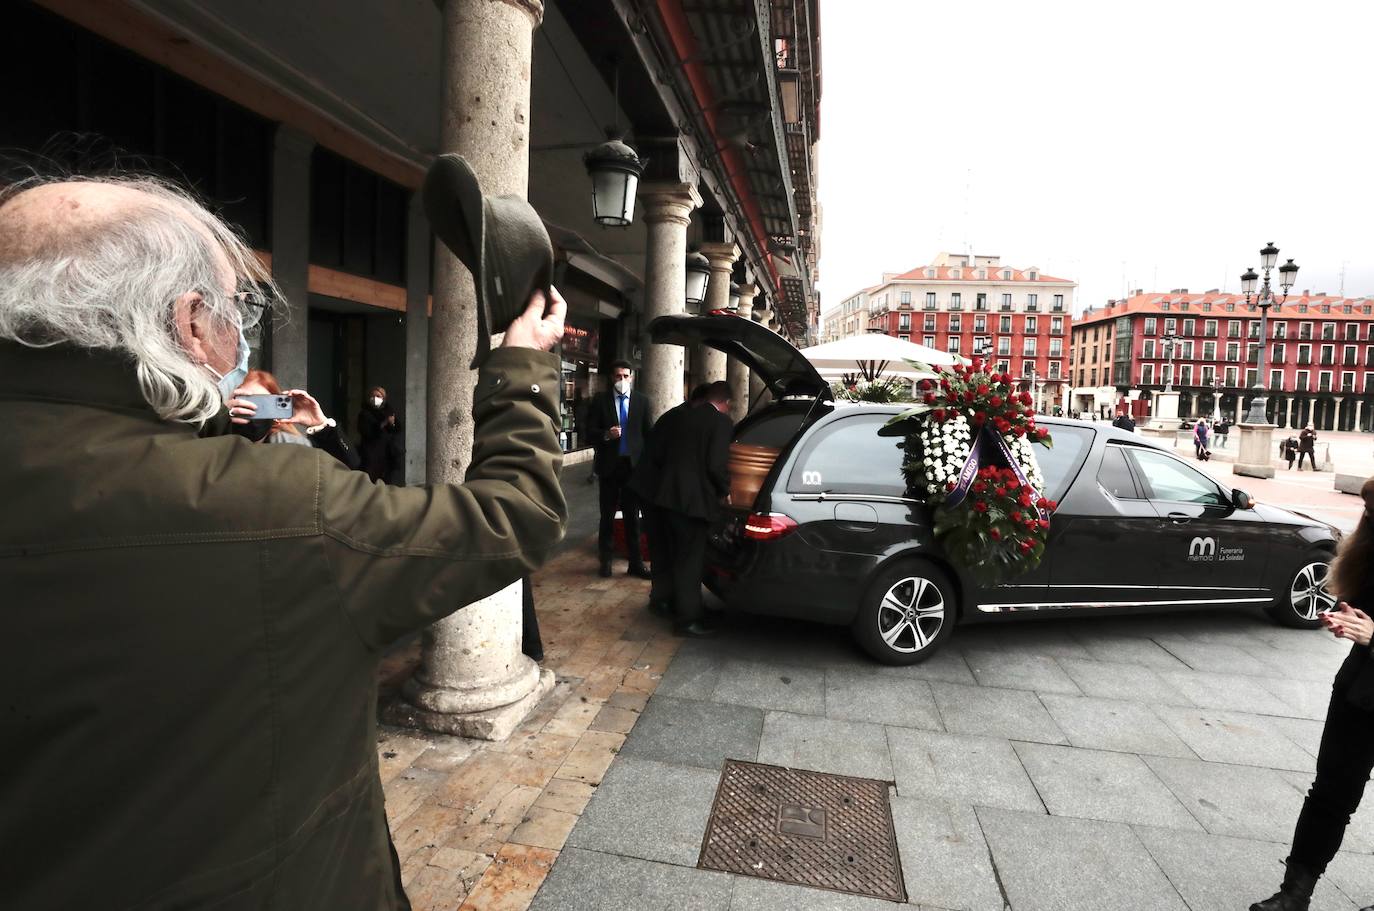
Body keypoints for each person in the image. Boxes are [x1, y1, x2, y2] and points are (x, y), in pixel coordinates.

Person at [0, 174, 568, 910]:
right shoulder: (279, 504)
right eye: (236, 310)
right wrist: (522, 361)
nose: (243, 335)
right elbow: (514, 514)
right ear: (190, 321)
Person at [1248, 477, 1374, 911]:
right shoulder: (1369, 545)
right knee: (1330, 793)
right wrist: (1350, 620)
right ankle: (1294, 894)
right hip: (1360, 689)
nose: (1369, 517)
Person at [652, 381, 733, 638]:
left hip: (668, 499)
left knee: (678, 557)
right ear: (726, 403)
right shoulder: (721, 423)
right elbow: (715, 465)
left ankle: (685, 607)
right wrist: (725, 490)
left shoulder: (684, 416)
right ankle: (688, 620)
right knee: (690, 561)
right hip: (693, 504)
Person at [631, 383, 711, 619]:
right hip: (653, 491)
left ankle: (667, 597)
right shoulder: (679, 419)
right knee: (662, 547)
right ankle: (661, 599)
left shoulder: (681, 416)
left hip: (659, 490)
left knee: (666, 546)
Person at [585, 359, 653, 578]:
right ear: (611, 378)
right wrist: (606, 434)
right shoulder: (600, 401)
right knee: (607, 515)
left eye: (625, 376)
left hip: (632, 468)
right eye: (618, 376)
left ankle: (636, 563)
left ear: (631, 377)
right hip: (609, 467)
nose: (621, 380)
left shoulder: (642, 402)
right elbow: (588, 431)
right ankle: (605, 561)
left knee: (632, 516)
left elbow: (648, 434)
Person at [227, 368, 360, 468]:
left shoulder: (293, 448)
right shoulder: (214, 439)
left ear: (275, 411)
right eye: (246, 401)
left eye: (263, 404)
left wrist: (321, 426)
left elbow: (347, 470)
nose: (253, 409)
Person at [358, 385, 403, 483]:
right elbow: (366, 432)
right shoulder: (365, 413)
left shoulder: (388, 411)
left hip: (387, 455)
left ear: (383, 398)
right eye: (373, 396)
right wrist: (382, 424)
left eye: (378, 396)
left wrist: (392, 423)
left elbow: (397, 429)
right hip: (371, 454)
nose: (375, 399)